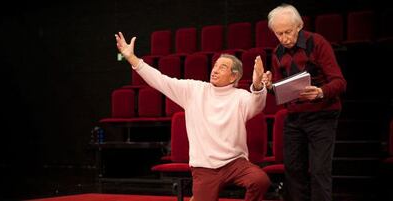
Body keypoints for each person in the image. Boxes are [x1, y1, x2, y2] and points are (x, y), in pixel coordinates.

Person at [115, 32, 270, 201]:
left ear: (234, 76)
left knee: (260, 180)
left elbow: (257, 104)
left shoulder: (240, 96)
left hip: (235, 163)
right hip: (204, 167)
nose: (215, 70)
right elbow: (160, 80)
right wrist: (131, 58)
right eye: (215, 65)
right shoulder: (194, 90)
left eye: (222, 67)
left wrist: (257, 84)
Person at [262, 4, 347, 201]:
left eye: (288, 32)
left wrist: (319, 92)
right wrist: (269, 86)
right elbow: (280, 90)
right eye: (279, 34)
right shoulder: (277, 53)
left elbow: (340, 82)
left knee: (319, 171)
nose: (284, 38)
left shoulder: (316, 43)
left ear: (299, 26)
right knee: (293, 170)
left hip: (322, 114)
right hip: (295, 116)